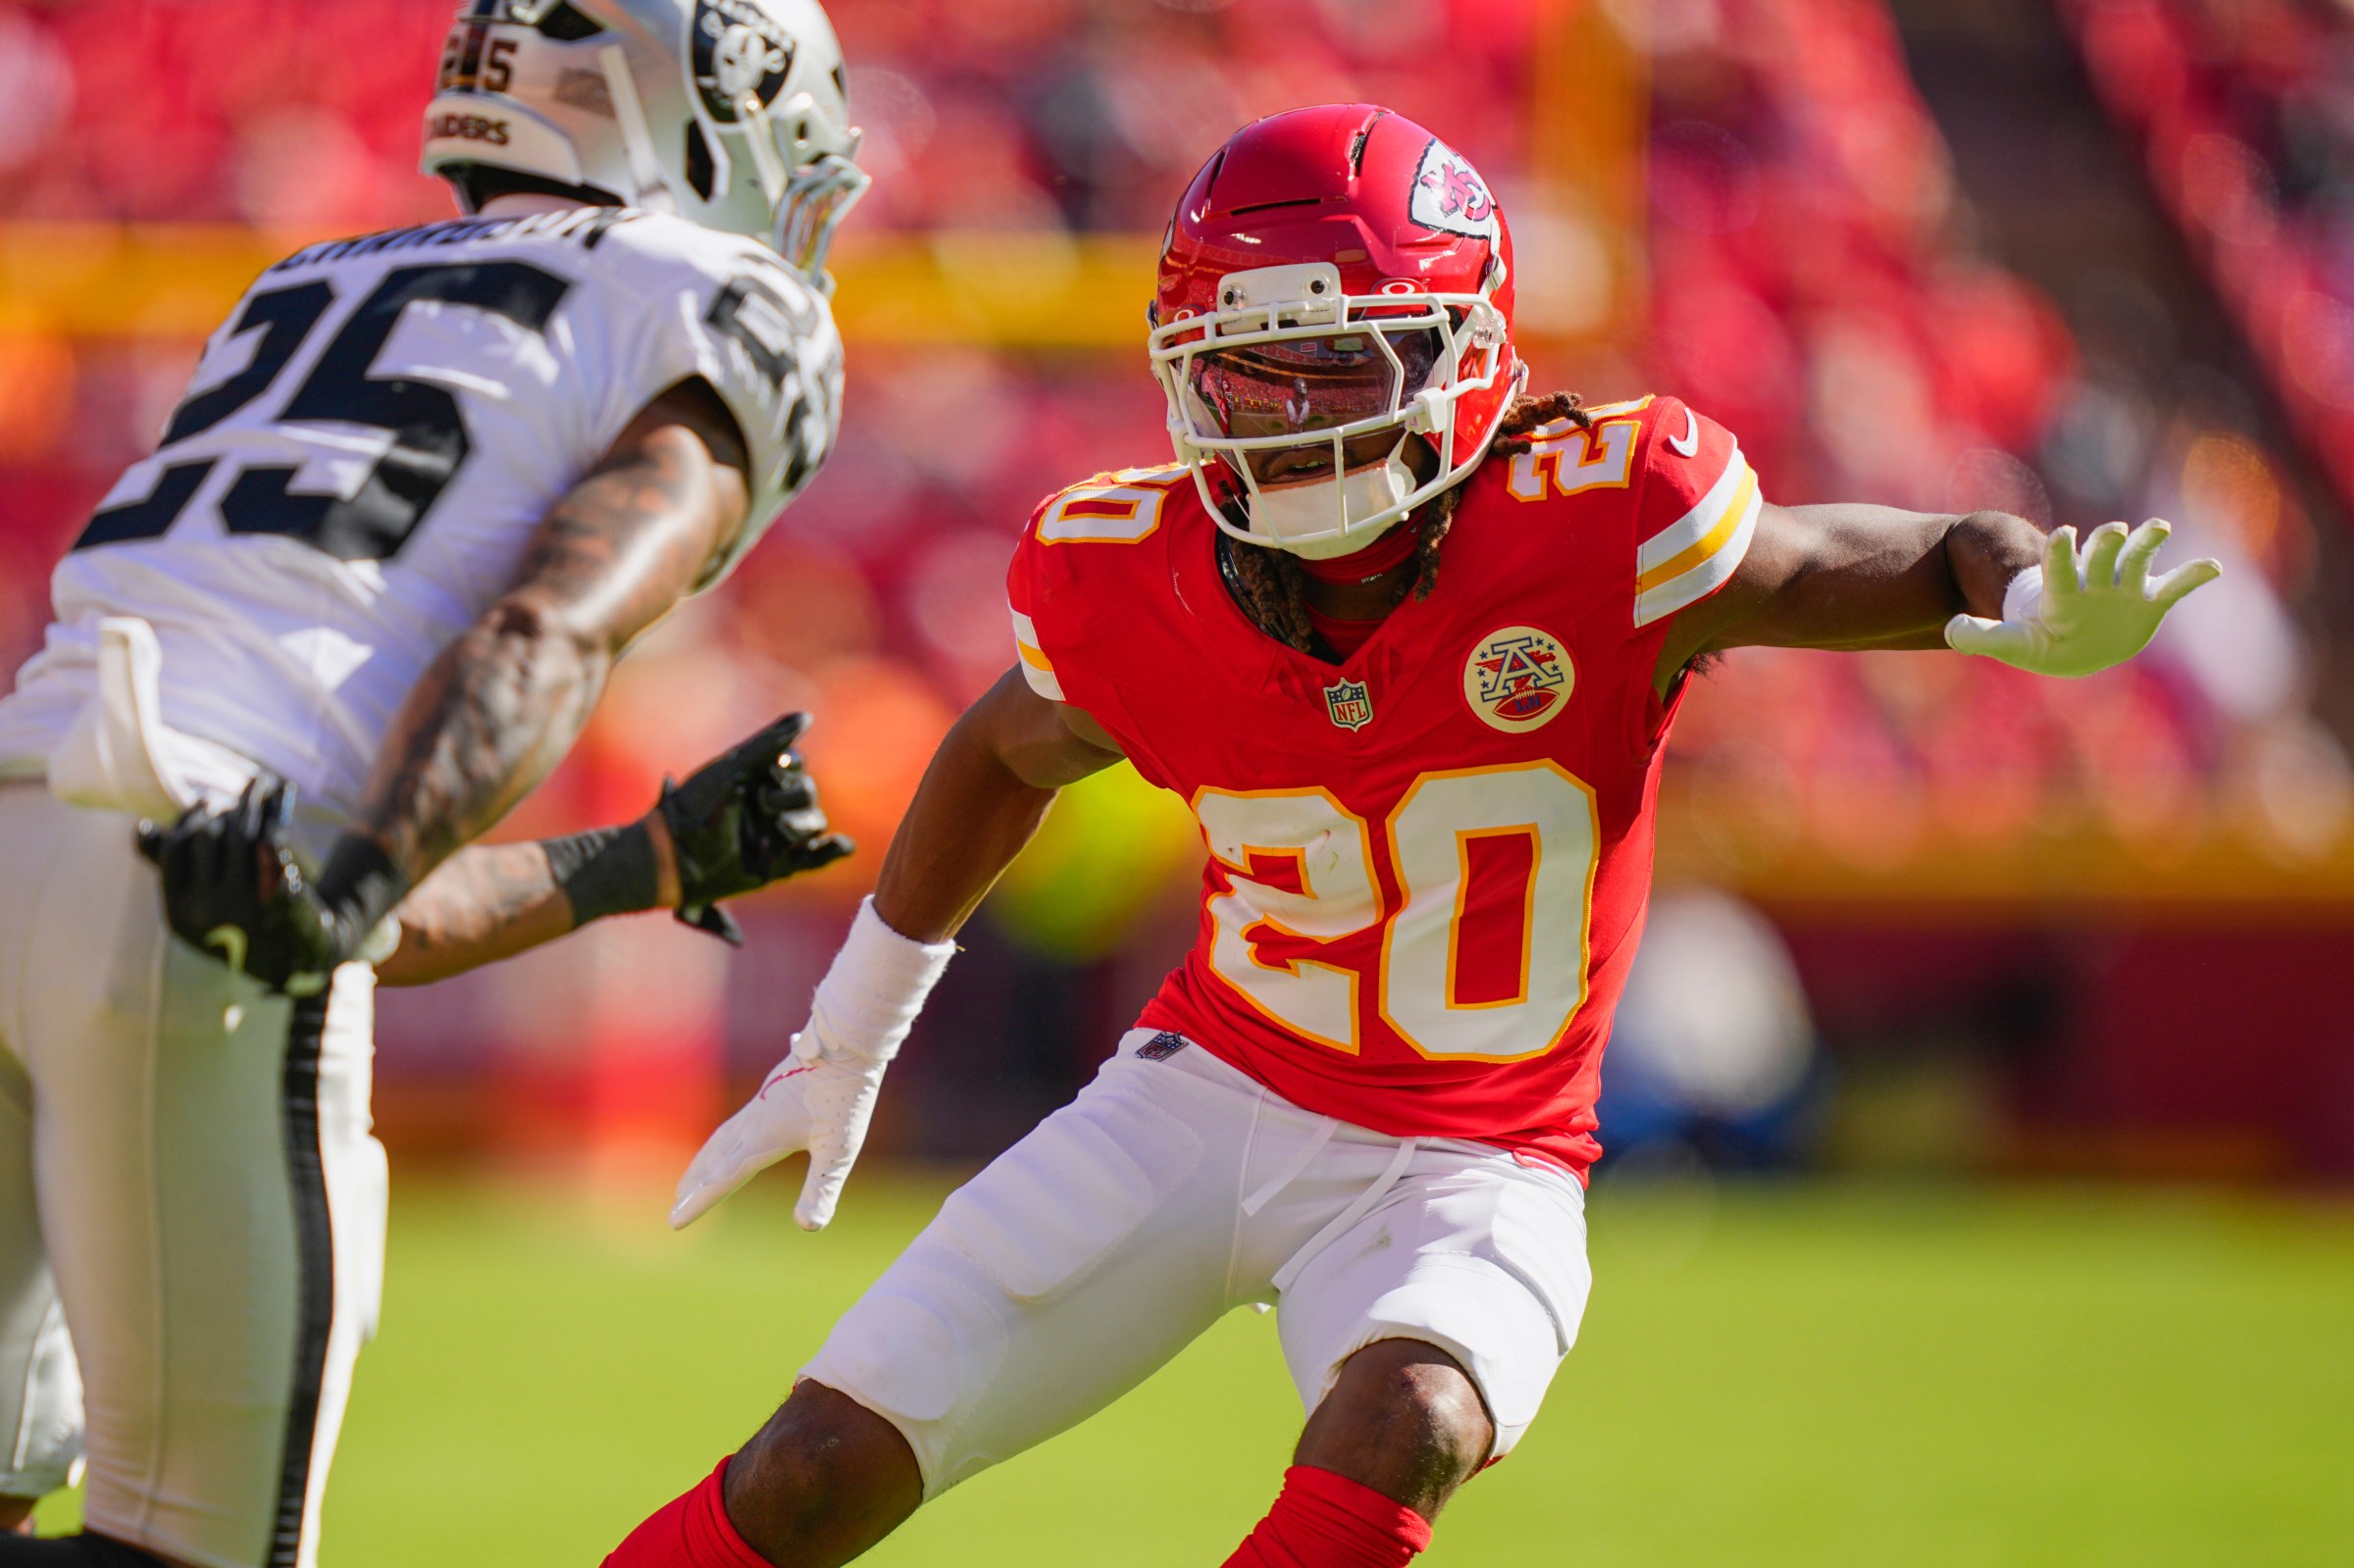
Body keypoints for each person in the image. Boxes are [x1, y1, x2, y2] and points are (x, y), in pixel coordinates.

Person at [604, 105, 2221, 1568]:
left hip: (1474, 1154)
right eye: (1245, 373)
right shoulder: (1132, 567)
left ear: (1462, 355)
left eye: (1337, 364)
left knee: (1411, 1420)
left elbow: (1905, 549)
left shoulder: (1604, 521)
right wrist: (848, 1039)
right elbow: (1000, 750)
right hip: (1204, 1095)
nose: (1286, 416)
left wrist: (2018, 591)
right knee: (813, 1472)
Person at [0, 2, 869, 1563]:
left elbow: (292, 883)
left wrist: (636, 863)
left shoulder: (305, 279)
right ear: (695, 99)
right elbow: (537, 632)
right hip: (174, 872)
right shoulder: (715, 296)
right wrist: (333, 889)